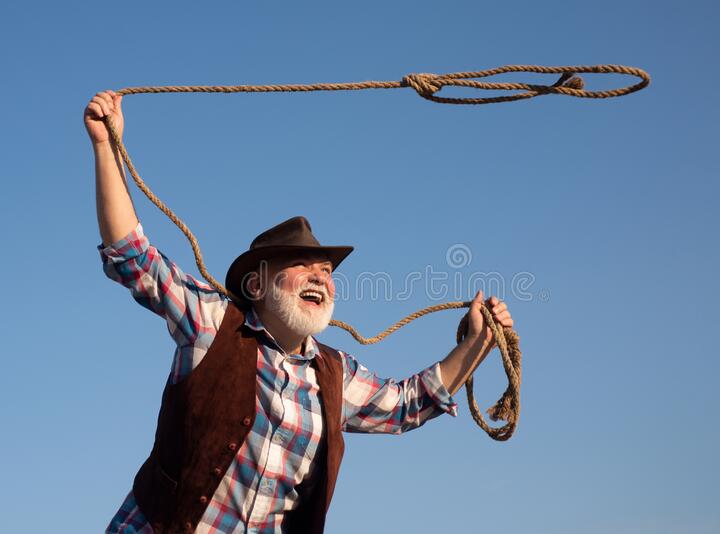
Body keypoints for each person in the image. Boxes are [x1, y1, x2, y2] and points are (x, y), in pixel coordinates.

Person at [85, 90, 514, 534]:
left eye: (326, 270)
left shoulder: (335, 375)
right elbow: (133, 257)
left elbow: (407, 404)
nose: (320, 278)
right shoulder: (211, 323)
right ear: (257, 284)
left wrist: (476, 344)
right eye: (301, 265)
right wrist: (105, 145)